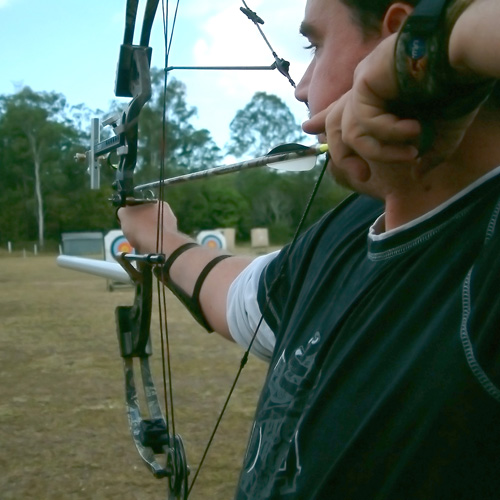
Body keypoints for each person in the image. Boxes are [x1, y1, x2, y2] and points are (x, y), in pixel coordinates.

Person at [119, 0, 500, 497]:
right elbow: (232, 296)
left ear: (396, 35)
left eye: (314, 45)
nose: (300, 86)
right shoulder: (347, 228)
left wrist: (424, 50)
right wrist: (162, 238)